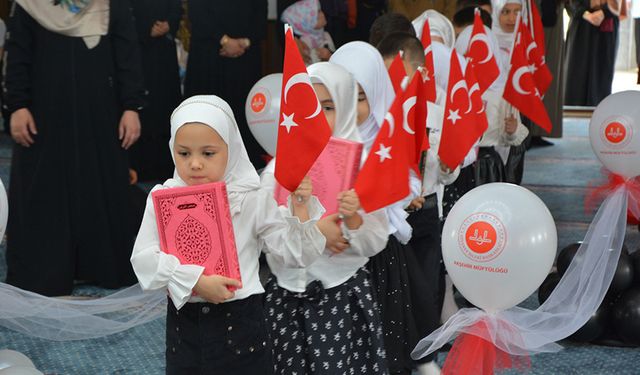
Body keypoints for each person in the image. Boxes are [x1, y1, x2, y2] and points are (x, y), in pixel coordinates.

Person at [130, 95, 327, 374]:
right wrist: (196, 280)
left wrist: (300, 207)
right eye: (184, 153)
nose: (195, 164)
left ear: (231, 149)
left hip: (241, 326)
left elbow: (294, 254)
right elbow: (143, 259)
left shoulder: (251, 198)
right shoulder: (163, 197)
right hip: (185, 327)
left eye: (208, 153)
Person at [4, 0, 144, 296]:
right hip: (42, 119)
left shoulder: (109, 5)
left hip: (100, 118)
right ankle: (47, 269)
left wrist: (131, 107)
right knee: (45, 192)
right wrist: (17, 105)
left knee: (99, 188)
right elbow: (17, 56)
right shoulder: (30, 5)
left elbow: (128, 58)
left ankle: (98, 266)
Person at [261, 62, 390, 375]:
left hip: (342, 295)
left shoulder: (362, 169)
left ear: (345, 108)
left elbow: (377, 238)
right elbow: (267, 240)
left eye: (328, 107)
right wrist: (315, 231)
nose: (317, 117)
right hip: (287, 296)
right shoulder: (276, 169)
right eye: (308, 107)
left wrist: (354, 223)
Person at [331, 41, 425, 375]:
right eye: (339, 96)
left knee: (381, 335)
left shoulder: (387, 139)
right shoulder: (322, 140)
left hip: (376, 258)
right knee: (339, 342)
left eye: (358, 97)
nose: (348, 108)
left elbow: (409, 181)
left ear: (375, 93)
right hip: (332, 254)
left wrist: (394, 196)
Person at [378, 31, 460, 375]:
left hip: (425, 211)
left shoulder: (436, 113)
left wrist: (444, 166)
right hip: (390, 218)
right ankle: (395, 356)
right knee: (394, 292)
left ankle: (425, 356)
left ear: (421, 71)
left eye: (402, 72)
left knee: (424, 289)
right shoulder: (382, 113)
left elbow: (452, 167)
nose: (396, 82)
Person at [184, 1, 267, 168]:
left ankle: (244, 164)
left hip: (246, 58)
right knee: (208, 114)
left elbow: (260, 13)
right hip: (209, 56)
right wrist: (224, 40)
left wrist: (244, 42)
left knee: (242, 112)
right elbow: (197, 12)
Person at [129, 0, 182, 182]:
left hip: (164, 55)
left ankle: (167, 171)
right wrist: (145, 29)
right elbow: (123, 13)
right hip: (136, 55)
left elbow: (176, 8)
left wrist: (169, 24)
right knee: (143, 113)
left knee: (165, 109)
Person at [564, 0, 624, 106]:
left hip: (606, 26)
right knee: (576, 73)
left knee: (601, 75)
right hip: (581, 24)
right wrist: (586, 14)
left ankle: (598, 113)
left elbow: (618, 4)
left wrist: (604, 12)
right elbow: (569, 3)